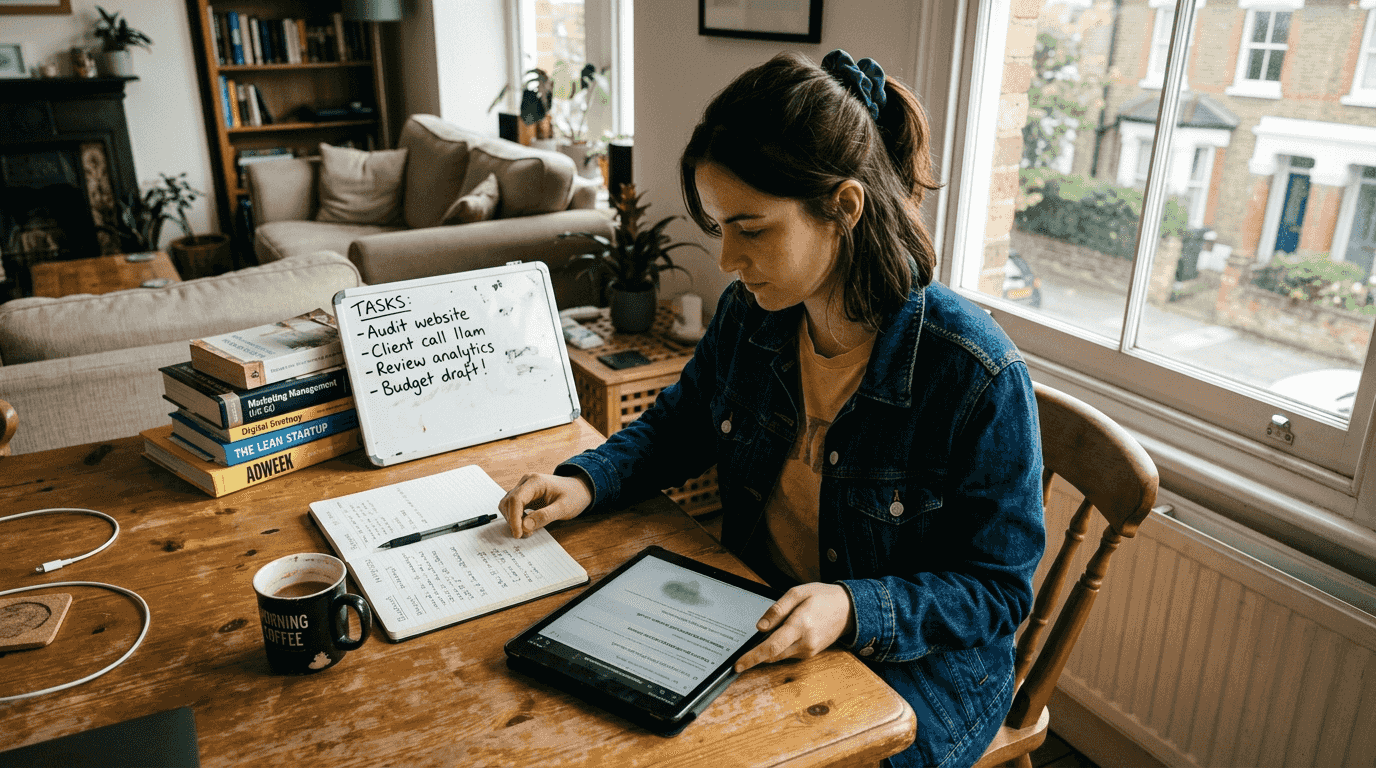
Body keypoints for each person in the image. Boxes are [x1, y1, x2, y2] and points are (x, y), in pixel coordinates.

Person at [499, 49, 1045, 768]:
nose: (725, 258)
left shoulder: (974, 373)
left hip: (922, 668)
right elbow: (683, 420)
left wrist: (853, 608)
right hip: (761, 607)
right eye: (720, 225)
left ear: (843, 208)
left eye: (750, 229)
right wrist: (587, 480)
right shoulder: (754, 315)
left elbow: (996, 591)